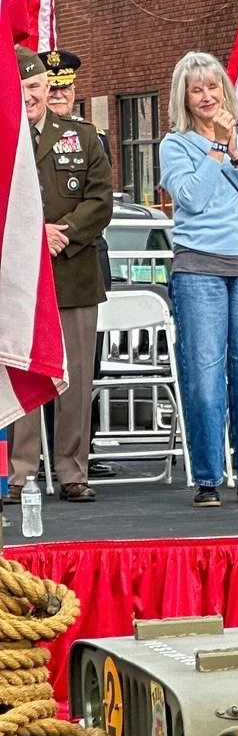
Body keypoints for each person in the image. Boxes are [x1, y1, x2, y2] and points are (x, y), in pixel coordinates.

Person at [158, 52, 238, 507]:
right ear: (185, 99)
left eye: (213, 87)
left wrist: (237, 154)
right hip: (199, 269)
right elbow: (189, 199)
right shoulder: (174, 146)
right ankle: (208, 478)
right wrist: (214, 151)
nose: (208, 96)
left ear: (225, 90)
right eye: (197, 90)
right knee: (204, 374)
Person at [7, 48, 113, 503]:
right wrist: (33, 235)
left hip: (72, 270)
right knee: (23, 370)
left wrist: (62, 234)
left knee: (76, 378)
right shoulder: (2, 138)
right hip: (17, 277)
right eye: (19, 87)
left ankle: (72, 470)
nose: (28, 95)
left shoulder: (82, 136)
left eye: (35, 87)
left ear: (48, 89)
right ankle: (20, 472)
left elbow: (100, 198)